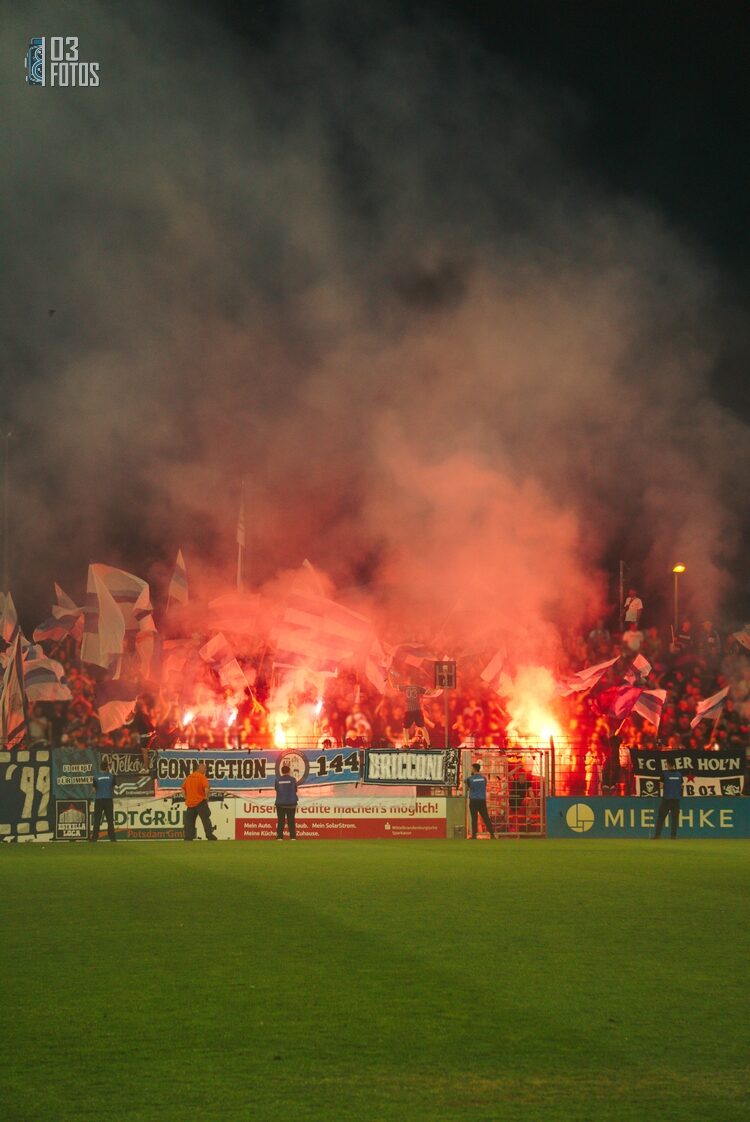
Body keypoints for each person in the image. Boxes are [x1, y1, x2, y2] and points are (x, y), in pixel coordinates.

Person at [182, 761, 217, 841]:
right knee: (205, 819)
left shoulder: (189, 777)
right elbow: (206, 788)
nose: (205, 770)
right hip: (200, 801)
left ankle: (188, 837)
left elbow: (183, 789)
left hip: (190, 803)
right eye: (204, 768)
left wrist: (186, 798)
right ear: (199, 768)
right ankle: (209, 835)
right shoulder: (202, 777)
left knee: (189, 821)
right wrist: (206, 797)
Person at [464, 762, 495, 839]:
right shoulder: (483, 778)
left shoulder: (470, 779)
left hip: (474, 800)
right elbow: (484, 786)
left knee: (474, 818)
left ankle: (474, 835)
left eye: (471, 768)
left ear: (474, 769)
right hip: (482, 800)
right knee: (485, 817)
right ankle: (492, 834)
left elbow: (465, 782)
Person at [90, 757, 117, 842]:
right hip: (108, 799)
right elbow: (112, 788)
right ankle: (112, 838)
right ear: (107, 767)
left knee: (97, 819)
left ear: (100, 767)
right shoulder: (111, 776)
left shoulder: (96, 776)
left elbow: (93, 790)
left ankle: (94, 838)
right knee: (110, 819)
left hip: (99, 800)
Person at [654, 758, 682, 839]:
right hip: (676, 800)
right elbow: (681, 786)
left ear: (668, 764)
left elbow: (661, 786)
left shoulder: (664, 774)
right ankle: (673, 837)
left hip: (667, 799)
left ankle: (657, 836)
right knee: (674, 819)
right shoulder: (679, 775)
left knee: (661, 818)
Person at [274, 764, 299, 840]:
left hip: (280, 803)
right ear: (289, 771)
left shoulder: (277, 780)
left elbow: (276, 789)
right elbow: (295, 790)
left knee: (281, 821)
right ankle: (293, 837)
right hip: (291, 803)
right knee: (291, 820)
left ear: (281, 771)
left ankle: (279, 837)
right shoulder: (293, 779)